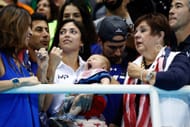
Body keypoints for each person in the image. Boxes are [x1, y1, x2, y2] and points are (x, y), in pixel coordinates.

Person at [122, 13, 190, 127]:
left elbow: (177, 78)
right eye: (136, 32)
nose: (136, 35)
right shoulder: (133, 65)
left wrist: (142, 74)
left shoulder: (177, 58)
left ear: (160, 36)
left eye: (143, 31)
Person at [0, 5, 47, 127]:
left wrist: (42, 69)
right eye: (26, 27)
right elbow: (23, 82)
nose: (30, 32)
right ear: (13, 27)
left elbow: (40, 105)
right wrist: (20, 82)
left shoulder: (23, 62)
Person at [98, 15, 135, 127]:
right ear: (100, 42)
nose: (118, 53)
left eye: (121, 47)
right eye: (112, 48)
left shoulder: (134, 65)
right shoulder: (89, 62)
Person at [50, 54, 111, 123]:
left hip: (97, 98)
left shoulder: (101, 73)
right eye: (88, 59)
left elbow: (106, 85)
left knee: (81, 97)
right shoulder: (83, 75)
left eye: (94, 59)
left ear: (103, 67)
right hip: (80, 97)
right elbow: (77, 87)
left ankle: (70, 117)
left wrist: (94, 90)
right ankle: (59, 116)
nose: (89, 60)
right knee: (67, 99)